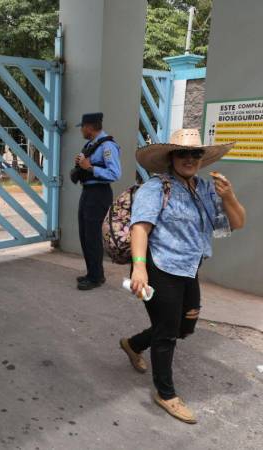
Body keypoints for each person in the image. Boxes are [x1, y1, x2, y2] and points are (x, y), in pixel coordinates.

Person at [120, 129, 246, 424]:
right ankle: (165, 394)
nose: (190, 159)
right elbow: (140, 227)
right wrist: (139, 267)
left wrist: (229, 196)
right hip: (157, 268)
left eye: (195, 153)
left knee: (185, 325)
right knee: (166, 331)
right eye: (183, 153)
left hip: (188, 268)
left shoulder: (204, 188)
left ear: (201, 158)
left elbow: (237, 223)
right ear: (171, 157)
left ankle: (134, 344)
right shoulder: (157, 187)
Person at [73, 112, 121, 290]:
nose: (81, 131)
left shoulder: (108, 145)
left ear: (89, 127)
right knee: (85, 234)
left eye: (83, 127)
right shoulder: (91, 144)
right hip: (88, 191)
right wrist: (81, 164)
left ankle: (96, 277)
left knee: (92, 236)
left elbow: (115, 173)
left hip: (99, 193)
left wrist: (90, 168)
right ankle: (91, 272)